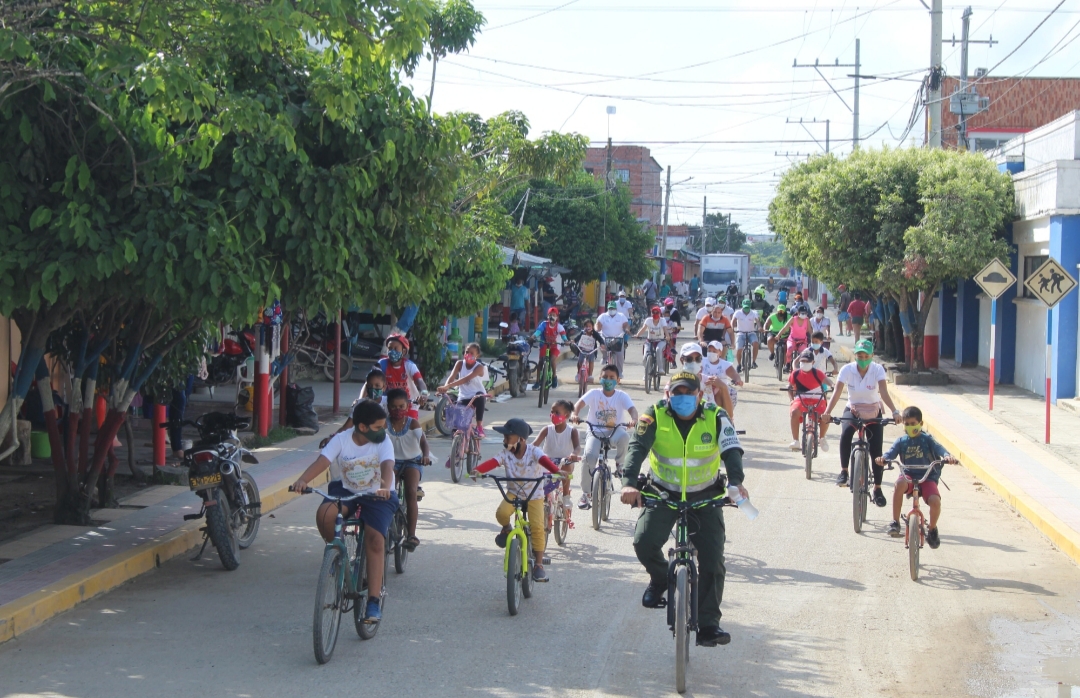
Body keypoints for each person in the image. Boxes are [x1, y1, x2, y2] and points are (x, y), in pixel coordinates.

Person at [620, 370, 747, 648]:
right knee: (643, 542)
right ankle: (659, 578)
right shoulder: (654, 414)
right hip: (663, 494)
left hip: (705, 497)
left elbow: (731, 450)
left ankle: (708, 624)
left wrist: (736, 483)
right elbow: (637, 448)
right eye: (677, 392)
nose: (683, 397)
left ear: (699, 395)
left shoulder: (716, 416)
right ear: (668, 394)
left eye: (689, 392)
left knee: (713, 560)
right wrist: (628, 484)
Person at [291, 399, 397, 622]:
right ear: (362, 427)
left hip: (378, 494)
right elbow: (322, 461)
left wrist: (385, 487)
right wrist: (302, 480)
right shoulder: (341, 439)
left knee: (375, 539)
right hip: (347, 489)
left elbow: (387, 465)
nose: (383, 430)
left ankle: (373, 600)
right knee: (325, 515)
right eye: (378, 427)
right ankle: (339, 556)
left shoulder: (383, 441)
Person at [473, 418, 562, 582]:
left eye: (508, 437)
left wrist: (557, 471)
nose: (505, 440)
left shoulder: (534, 451)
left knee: (537, 527)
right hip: (514, 492)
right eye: (505, 437)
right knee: (501, 513)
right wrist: (478, 470)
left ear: (521, 439)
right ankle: (507, 529)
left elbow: (544, 461)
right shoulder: (506, 454)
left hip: (534, 494)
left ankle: (539, 565)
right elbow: (493, 462)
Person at [824, 339, 902, 495]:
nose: (863, 359)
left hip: (873, 410)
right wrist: (827, 412)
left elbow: (883, 391)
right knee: (846, 434)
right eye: (860, 356)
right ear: (855, 356)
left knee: (876, 450)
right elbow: (837, 391)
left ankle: (877, 488)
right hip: (853, 408)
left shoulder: (878, 369)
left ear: (872, 356)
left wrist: (894, 411)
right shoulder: (847, 369)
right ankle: (844, 471)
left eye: (866, 356)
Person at [876, 406, 958, 546]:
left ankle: (932, 529)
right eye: (906, 424)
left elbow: (940, 448)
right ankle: (895, 522)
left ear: (921, 423)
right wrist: (883, 459)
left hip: (927, 477)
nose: (910, 427)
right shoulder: (901, 441)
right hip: (908, 475)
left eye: (913, 424)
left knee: (935, 501)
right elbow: (890, 453)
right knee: (898, 485)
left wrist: (947, 456)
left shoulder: (927, 439)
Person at [572, 364, 639, 510]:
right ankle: (586, 494)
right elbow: (579, 404)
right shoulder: (594, 394)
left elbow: (632, 409)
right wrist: (575, 414)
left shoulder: (621, 396)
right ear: (600, 379)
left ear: (618, 380)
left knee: (625, 437)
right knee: (589, 456)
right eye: (605, 377)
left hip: (615, 431)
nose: (608, 380)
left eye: (612, 377)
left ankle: (620, 465)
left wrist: (634, 419)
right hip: (595, 431)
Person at [385, 388, 432, 550]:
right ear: (388, 407)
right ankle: (384, 525)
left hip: (413, 461)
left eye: (401, 407)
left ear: (407, 407)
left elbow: (423, 442)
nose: (398, 410)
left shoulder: (412, 423)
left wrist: (426, 456)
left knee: (411, 492)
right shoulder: (384, 423)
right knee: (387, 491)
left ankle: (411, 535)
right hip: (391, 462)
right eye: (394, 407)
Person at [533, 399, 583, 510]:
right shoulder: (547, 429)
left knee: (566, 466)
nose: (553, 415)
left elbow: (577, 447)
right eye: (552, 412)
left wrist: (574, 454)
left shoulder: (572, 431)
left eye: (557, 413)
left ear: (566, 415)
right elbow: (534, 444)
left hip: (565, 461)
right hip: (547, 461)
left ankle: (566, 496)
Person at [320, 369, 388, 447]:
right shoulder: (359, 404)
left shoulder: (388, 403)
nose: (373, 389)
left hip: (384, 441)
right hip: (363, 442)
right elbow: (347, 427)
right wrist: (332, 437)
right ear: (366, 387)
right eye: (370, 386)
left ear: (384, 387)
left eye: (377, 386)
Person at [437, 342, 489, 436]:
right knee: (457, 424)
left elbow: (466, 379)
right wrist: (444, 388)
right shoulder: (460, 363)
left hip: (476, 397)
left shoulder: (479, 367)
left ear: (477, 355)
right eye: (467, 352)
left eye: (472, 353)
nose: (468, 354)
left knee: (480, 397)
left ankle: (479, 427)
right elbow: (451, 377)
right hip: (463, 397)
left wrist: (447, 386)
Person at [787, 348, 833, 451]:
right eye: (802, 361)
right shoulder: (795, 374)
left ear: (813, 362)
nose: (804, 363)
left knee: (826, 416)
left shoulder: (817, 373)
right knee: (794, 412)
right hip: (801, 399)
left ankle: (822, 438)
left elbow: (828, 381)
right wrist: (791, 400)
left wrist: (833, 385)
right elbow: (789, 387)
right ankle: (796, 440)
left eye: (807, 361)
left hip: (818, 398)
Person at [378, 334, 428, 416]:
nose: (392, 351)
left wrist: (424, 394)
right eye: (390, 348)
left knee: (412, 423)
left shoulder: (409, 365)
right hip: (389, 404)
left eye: (395, 348)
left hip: (409, 404)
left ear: (404, 351)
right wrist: (360, 399)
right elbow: (369, 382)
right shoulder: (382, 364)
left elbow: (420, 381)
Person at [701, 340, 741, 417]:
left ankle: (723, 417)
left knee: (721, 394)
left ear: (720, 353)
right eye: (709, 351)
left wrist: (738, 380)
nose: (711, 353)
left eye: (714, 351)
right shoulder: (702, 361)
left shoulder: (724, 364)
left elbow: (734, 374)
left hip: (721, 389)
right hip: (706, 388)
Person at [533, 308, 568, 389]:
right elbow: (538, 331)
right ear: (547, 316)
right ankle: (537, 381)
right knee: (541, 361)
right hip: (544, 344)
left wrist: (566, 341)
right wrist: (533, 336)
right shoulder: (544, 324)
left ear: (557, 317)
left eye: (554, 315)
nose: (552, 317)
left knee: (552, 360)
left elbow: (563, 335)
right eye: (550, 315)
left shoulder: (559, 327)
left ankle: (554, 376)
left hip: (555, 345)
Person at [595, 301, 630, 376]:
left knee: (620, 355)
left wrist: (627, 329)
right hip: (605, 337)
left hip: (618, 338)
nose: (611, 310)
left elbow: (626, 325)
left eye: (613, 308)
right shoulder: (603, 316)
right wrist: (597, 330)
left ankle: (619, 372)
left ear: (616, 309)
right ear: (607, 309)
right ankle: (604, 357)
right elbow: (598, 324)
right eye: (610, 308)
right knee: (602, 347)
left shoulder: (621, 316)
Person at [636, 305, 671, 372]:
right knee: (645, 356)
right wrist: (637, 335)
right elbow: (643, 328)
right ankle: (646, 372)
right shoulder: (648, 320)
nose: (655, 314)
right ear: (651, 313)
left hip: (660, 341)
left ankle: (660, 368)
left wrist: (667, 336)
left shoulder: (662, 320)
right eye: (653, 312)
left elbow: (665, 329)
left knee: (658, 350)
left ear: (660, 314)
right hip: (649, 341)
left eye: (657, 313)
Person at [730, 298, 760, 371]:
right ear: (742, 306)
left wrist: (759, 327)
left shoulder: (754, 313)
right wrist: (732, 328)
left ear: (750, 306)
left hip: (751, 333)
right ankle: (739, 364)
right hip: (740, 333)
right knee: (739, 349)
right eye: (745, 307)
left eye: (748, 307)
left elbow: (757, 321)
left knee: (756, 343)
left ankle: (754, 362)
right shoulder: (738, 313)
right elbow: (733, 321)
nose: (746, 309)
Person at [573, 318, 603, 384]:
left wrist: (602, 344)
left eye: (590, 326)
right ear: (584, 327)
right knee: (580, 362)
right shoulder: (583, 333)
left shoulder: (594, 333)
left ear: (592, 326)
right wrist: (573, 341)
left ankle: (590, 375)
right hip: (582, 350)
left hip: (591, 351)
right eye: (586, 326)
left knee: (591, 362)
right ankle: (578, 373)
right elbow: (577, 338)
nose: (588, 328)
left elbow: (600, 339)